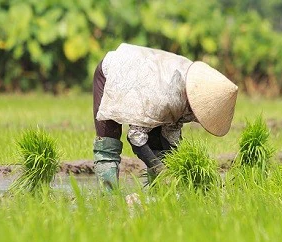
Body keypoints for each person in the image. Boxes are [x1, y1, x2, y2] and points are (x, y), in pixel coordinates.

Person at [92, 43, 238, 189]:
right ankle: (109, 198)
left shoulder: (189, 94)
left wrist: (182, 168)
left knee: (158, 144)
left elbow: (170, 132)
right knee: (108, 142)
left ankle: (158, 195)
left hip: (152, 82)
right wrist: (159, 169)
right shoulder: (164, 98)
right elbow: (135, 137)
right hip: (117, 71)